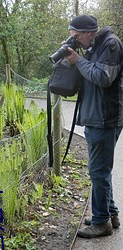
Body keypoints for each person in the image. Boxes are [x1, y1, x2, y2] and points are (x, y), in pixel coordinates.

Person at [65, 15, 123, 238]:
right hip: (95, 117)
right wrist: (75, 60)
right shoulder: (94, 46)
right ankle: (110, 214)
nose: (76, 41)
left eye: (77, 37)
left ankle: (101, 223)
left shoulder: (111, 44)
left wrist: (78, 61)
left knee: (98, 171)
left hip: (105, 118)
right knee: (100, 171)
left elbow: (102, 77)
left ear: (89, 32)